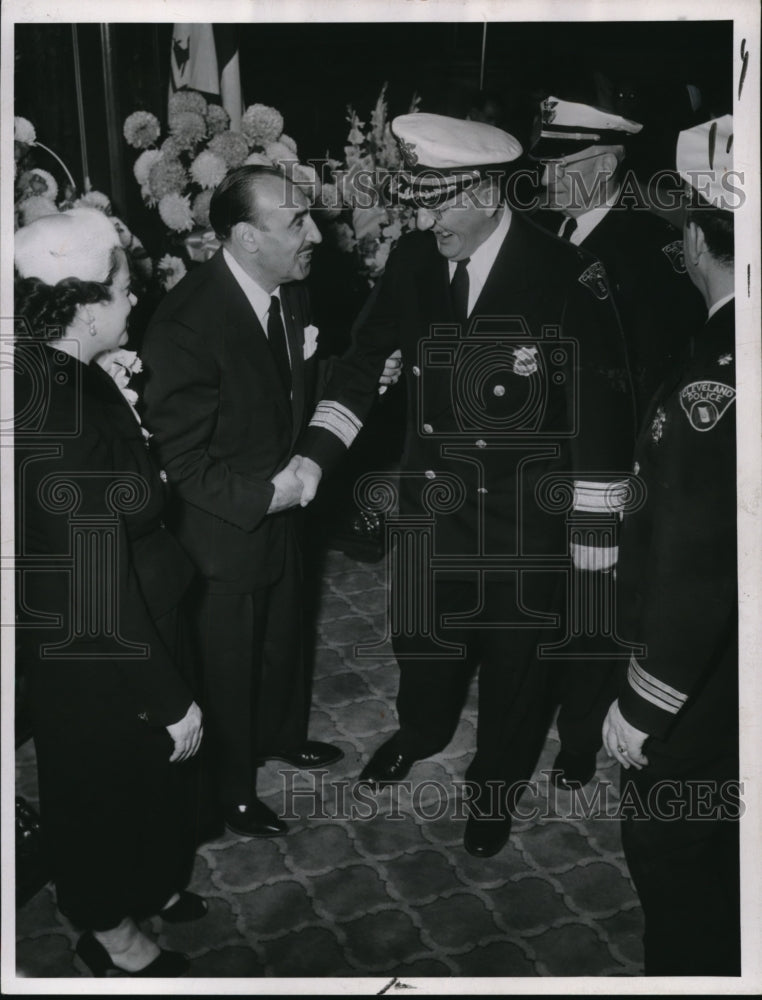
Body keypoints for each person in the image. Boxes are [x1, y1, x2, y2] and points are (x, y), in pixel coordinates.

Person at [295, 113, 635, 858]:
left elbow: (601, 409)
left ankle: (494, 786)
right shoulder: (416, 260)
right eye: (417, 202)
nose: (425, 219)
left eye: (438, 202)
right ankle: (420, 731)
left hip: (523, 517)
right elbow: (362, 363)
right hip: (428, 508)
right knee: (424, 644)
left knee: (518, 669)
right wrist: (314, 457)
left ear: (484, 192)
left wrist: (594, 528)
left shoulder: (561, 273)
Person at [14, 208, 205, 977]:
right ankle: (102, 920)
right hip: (102, 647)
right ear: (88, 302)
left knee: (140, 785)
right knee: (100, 789)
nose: (136, 302)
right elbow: (96, 577)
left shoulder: (65, 369)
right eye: (125, 290)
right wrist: (168, 697)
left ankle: (145, 883)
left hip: (133, 614)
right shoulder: (60, 409)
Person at [141, 166, 346, 839]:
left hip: (283, 505)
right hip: (224, 528)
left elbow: (285, 384)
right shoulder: (186, 324)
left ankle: (282, 734)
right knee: (230, 664)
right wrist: (269, 494)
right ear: (247, 238)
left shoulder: (289, 289)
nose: (315, 233)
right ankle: (231, 792)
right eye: (296, 224)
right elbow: (181, 462)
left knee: (283, 636)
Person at [528, 95, 705, 789]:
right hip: (533, 459)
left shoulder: (652, 249)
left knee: (593, 611)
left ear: (606, 162)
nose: (543, 181)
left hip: (606, 465)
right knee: (535, 596)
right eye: (540, 164)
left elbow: (663, 371)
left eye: (559, 165)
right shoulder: (543, 231)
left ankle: (578, 738)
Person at [601, 115, 740, 976]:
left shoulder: (708, 385)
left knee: (683, 870)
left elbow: (698, 566)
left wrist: (646, 705)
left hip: (707, 694)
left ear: (696, 238)